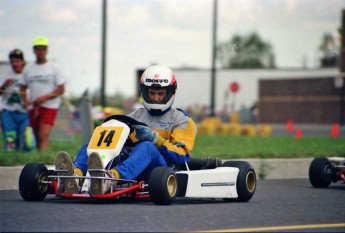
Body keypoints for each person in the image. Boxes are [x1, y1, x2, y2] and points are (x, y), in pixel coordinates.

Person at [55, 65, 197, 194]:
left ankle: (111, 178)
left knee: (147, 146)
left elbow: (180, 155)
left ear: (170, 93)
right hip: (131, 163)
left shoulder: (182, 120)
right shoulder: (135, 115)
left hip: (160, 170)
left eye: (160, 94)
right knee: (91, 147)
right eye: (152, 93)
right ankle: (75, 177)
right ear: (143, 92)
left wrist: (156, 140)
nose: (156, 98)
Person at [19, 36, 66, 151]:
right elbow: (22, 86)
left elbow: (61, 89)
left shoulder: (54, 67)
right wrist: (24, 100)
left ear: (47, 50)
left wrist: (45, 97)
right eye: (38, 49)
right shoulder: (29, 67)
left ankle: (43, 159)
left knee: (43, 135)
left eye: (43, 49)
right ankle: (40, 160)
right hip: (34, 107)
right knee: (36, 135)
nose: (40, 52)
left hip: (50, 106)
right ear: (34, 51)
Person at [0, 49, 35, 151]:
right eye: (13, 61)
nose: (15, 64)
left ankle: (28, 161)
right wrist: (6, 85)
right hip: (9, 112)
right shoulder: (5, 76)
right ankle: (13, 160)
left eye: (17, 61)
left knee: (27, 139)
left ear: (22, 61)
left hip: (25, 113)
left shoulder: (28, 75)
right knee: (11, 139)